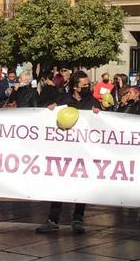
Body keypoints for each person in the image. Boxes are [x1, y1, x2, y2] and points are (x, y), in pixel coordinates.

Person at [38, 71, 100, 234]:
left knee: (82, 186)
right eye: (85, 85)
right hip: (65, 151)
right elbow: (51, 117)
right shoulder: (63, 100)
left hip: (84, 151)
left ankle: (78, 218)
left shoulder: (91, 101)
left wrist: (98, 114)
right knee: (60, 185)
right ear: (75, 86)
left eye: (88, 84)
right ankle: (53, 219)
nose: (88, 87)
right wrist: (49, 110)